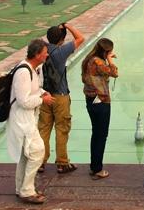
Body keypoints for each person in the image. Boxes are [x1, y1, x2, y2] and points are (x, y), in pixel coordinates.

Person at [7, 38, 54, 205]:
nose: (47, 55)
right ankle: (27, 190)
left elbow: (34, 90)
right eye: (44, 53)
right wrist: (43, 100)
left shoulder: (33, 69)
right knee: (38, 151)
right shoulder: (23, 72)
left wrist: (43, 92)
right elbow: (23, 101)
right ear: (36, 54)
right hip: (21, 120)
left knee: (25, 155)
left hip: (27, 119)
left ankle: (21, 188)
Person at [38, 22, 85, 174]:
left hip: (45, 95)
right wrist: (68, 25)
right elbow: (80, 38)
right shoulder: (61, 51)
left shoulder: (42, 50)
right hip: (60, 96)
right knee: (62, 129)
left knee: (43, 129)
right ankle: (62, 163)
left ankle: (40, 162)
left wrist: (56, 30)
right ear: (62, 40)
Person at [81, 38, 118, 180]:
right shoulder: (98, 62)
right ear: (105, 51)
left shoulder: (88, 60)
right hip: (101, 100)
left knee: (96, 133)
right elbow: (114, 73)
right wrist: (110, 59)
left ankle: (94, 166)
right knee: (101, 135)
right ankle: (97, 169)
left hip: (90, 99)